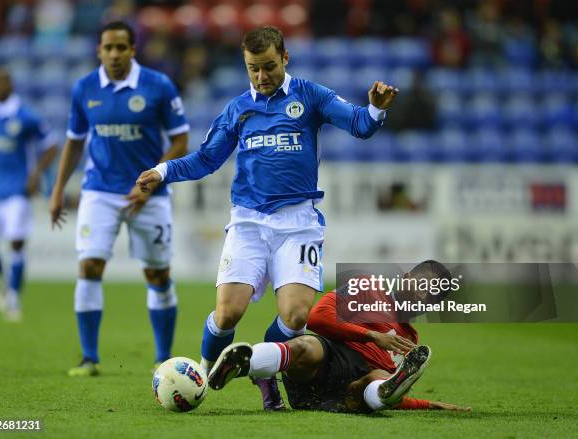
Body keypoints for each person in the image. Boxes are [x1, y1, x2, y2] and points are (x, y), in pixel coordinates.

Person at [136, 25, 398, 410]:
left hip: (299, 224)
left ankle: (263, 372)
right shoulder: (238, 108)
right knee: (227, 314)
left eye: (269, 67)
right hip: (249, 222)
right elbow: (207, 159)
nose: (262, 76)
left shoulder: (310, 96)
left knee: (295, 317)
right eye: (253, 69)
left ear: (285, 58)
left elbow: (359, 125)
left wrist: (376, 108)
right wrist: (163, 170)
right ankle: (207, 374)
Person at [49, 21, 189, 376]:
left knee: (157, 274)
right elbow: (75, 141)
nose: (114, 54)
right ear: (99, 51)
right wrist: (57, 189)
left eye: (120, 48)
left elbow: (180, 141)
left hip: (148, 193)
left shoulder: (158, 86)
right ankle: (89, 358)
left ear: (132, 50)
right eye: (107, 48)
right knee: (89, 266)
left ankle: (162, 355)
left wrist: (149, 184)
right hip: (99, 191)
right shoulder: (84, 88)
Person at [206, 260, 471, 413]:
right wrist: (371, 336)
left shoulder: (409, 341)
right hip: (325, 363)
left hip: (353, 391)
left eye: (432, 296)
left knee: (380, 379)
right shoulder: (367, 288)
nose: (423, 297)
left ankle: (382, 391)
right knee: (306, 345)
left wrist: (427, 405)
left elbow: (398, 395)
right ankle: (240, 365)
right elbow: (318, 317)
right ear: (407, 277)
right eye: (422, 285)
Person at [0, 66, 58, 322]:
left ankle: (13, 295)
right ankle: (6, 280)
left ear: (11, 85)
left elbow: (51, 144)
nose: (0, 86)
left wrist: (36, 175)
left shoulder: (25, 116)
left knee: (16, 242)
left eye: (4, 82)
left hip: (16, 191)